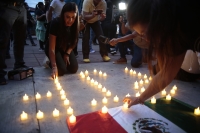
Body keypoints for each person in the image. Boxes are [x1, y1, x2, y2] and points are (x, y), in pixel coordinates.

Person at [123, 0, 200, 107]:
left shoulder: (190, 16)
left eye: (144, 33)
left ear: (158, 18)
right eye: (141, 35)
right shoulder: (171, 32)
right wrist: (140, 98)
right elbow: (166, 74)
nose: (146, 39)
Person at [0, 0, 31, 85]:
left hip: (21, 7)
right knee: (3, 40)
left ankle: (19, 64)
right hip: (7, 6)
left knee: (20, 38)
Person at [46, 2, 79, 78]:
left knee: (73, 68)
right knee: (61, 70)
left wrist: (67, 53)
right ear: (62, 15)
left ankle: (60, 59)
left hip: (65, 47)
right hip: (55, 48)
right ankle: (49, 61)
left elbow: (74, 41)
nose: (70, 20)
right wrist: (54, 66)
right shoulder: (56, 23)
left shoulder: (75, 24)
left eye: (73, 17)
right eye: (67, 17)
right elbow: (51, 48)